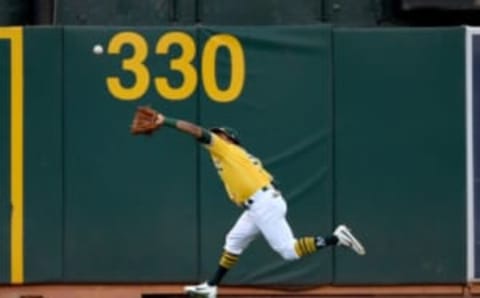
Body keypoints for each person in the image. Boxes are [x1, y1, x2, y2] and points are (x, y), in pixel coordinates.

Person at [130, 107, 366, 298]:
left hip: (263, 204)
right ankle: (211, 286)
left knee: (289, 251)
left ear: (229, 139)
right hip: (260, 204)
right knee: (233, 240)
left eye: (219, 134)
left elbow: (196, 131)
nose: (215, 136)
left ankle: (337, 238)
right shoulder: (235, 158)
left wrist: (165, 120)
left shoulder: (227, 149)